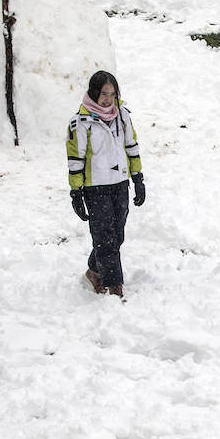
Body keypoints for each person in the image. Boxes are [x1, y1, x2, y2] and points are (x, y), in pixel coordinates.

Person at [66, 70, 145, 298]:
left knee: (117, 235)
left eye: (112, 94)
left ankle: (94, 269)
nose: (108, 99)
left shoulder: (122, 115)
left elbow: (132, 146)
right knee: (105, 237)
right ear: (94, 93)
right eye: (104, 94)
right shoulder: (80, 123)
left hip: (120, 184)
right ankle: (114, 286)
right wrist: (76, 192)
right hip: (95, 188)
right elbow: (75, 159)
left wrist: (137, 178)